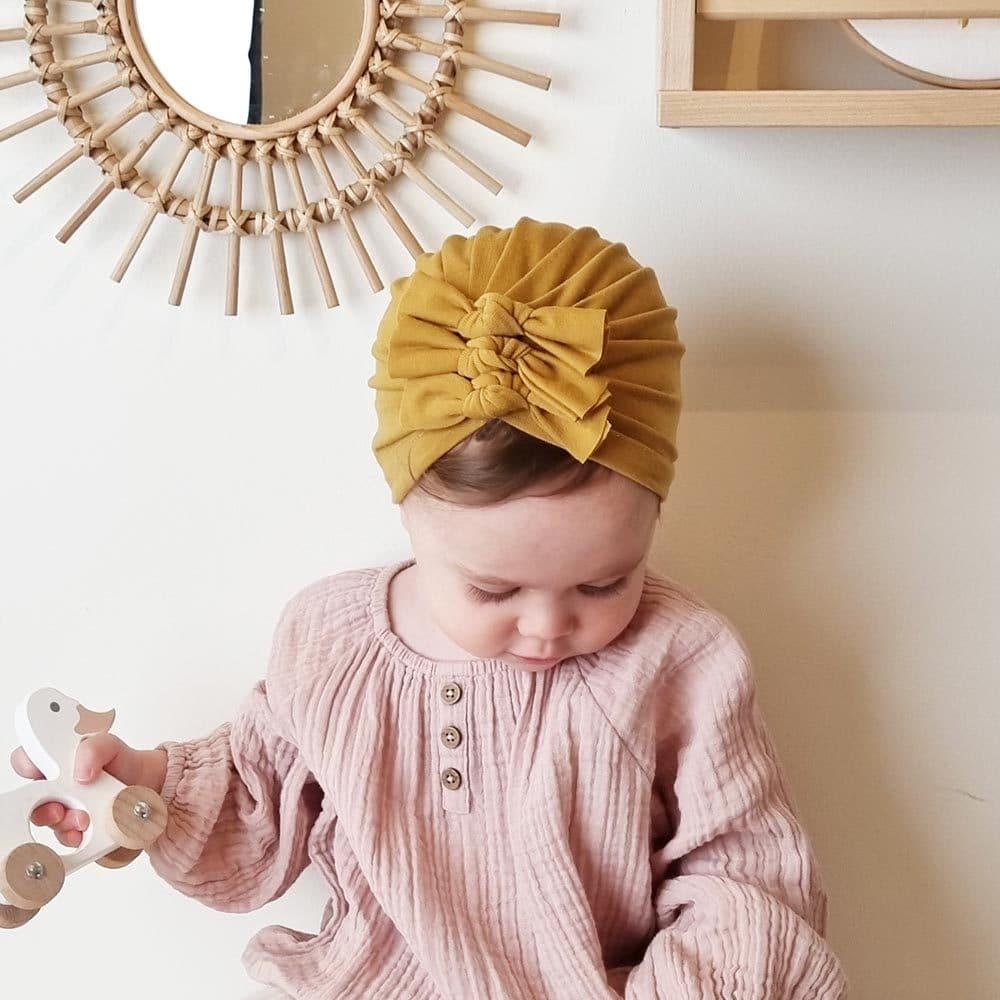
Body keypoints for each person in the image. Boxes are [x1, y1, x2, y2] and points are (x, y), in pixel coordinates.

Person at [10, 218, 847, 999]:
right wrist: (141, 784)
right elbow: (255, 804)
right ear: (407, 513)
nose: (549, 626)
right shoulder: (330, 639)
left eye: (605, 583)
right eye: (492, 589)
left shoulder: (680, 658)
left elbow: (744, 880)